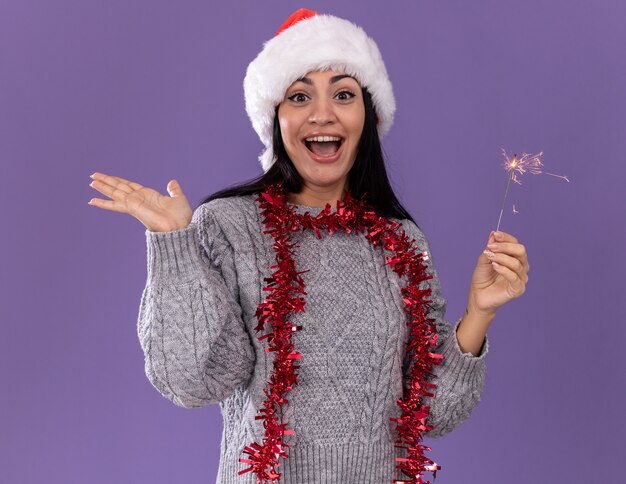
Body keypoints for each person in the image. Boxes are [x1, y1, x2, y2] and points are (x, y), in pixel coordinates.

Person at [87, 9, 530, 484]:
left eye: (343, 94)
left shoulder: (400, 241)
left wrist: (479, 312)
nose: (322, 113)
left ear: (368, 116)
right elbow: (195, 380)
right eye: (299, 96)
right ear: (275, 119)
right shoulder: (229, 225)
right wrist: (175, 244)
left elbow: (433, 412)